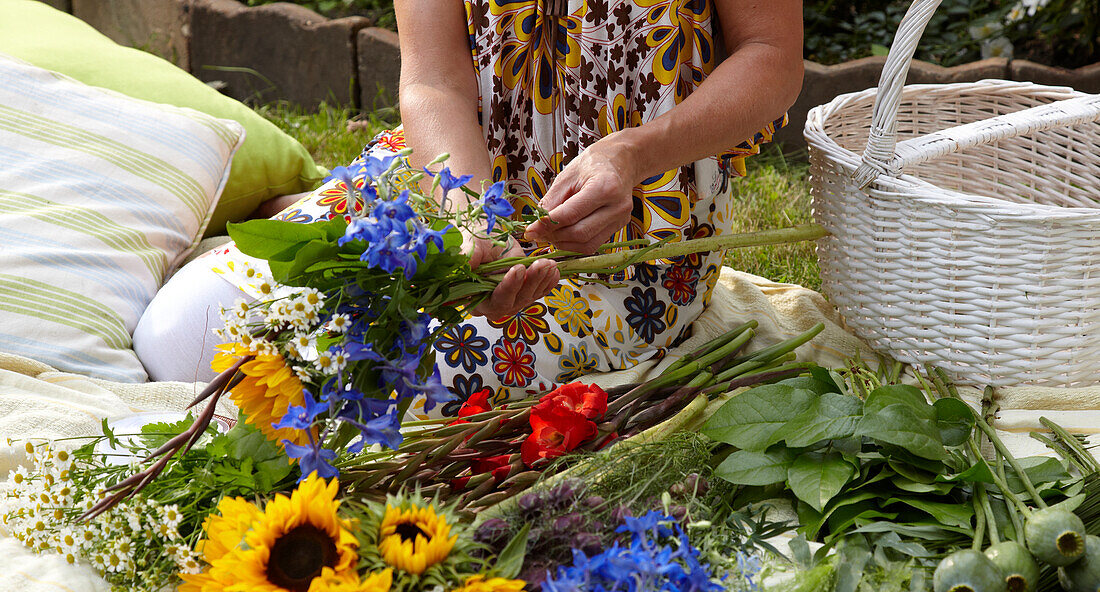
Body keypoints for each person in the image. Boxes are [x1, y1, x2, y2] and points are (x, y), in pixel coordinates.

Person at [134, 0, 803, 417]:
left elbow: (773, 58)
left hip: (626, 248)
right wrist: (470, 216)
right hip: (441, 179)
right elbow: (431, 80)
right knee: (176, 334)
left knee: (371, 383)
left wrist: (630, 154)